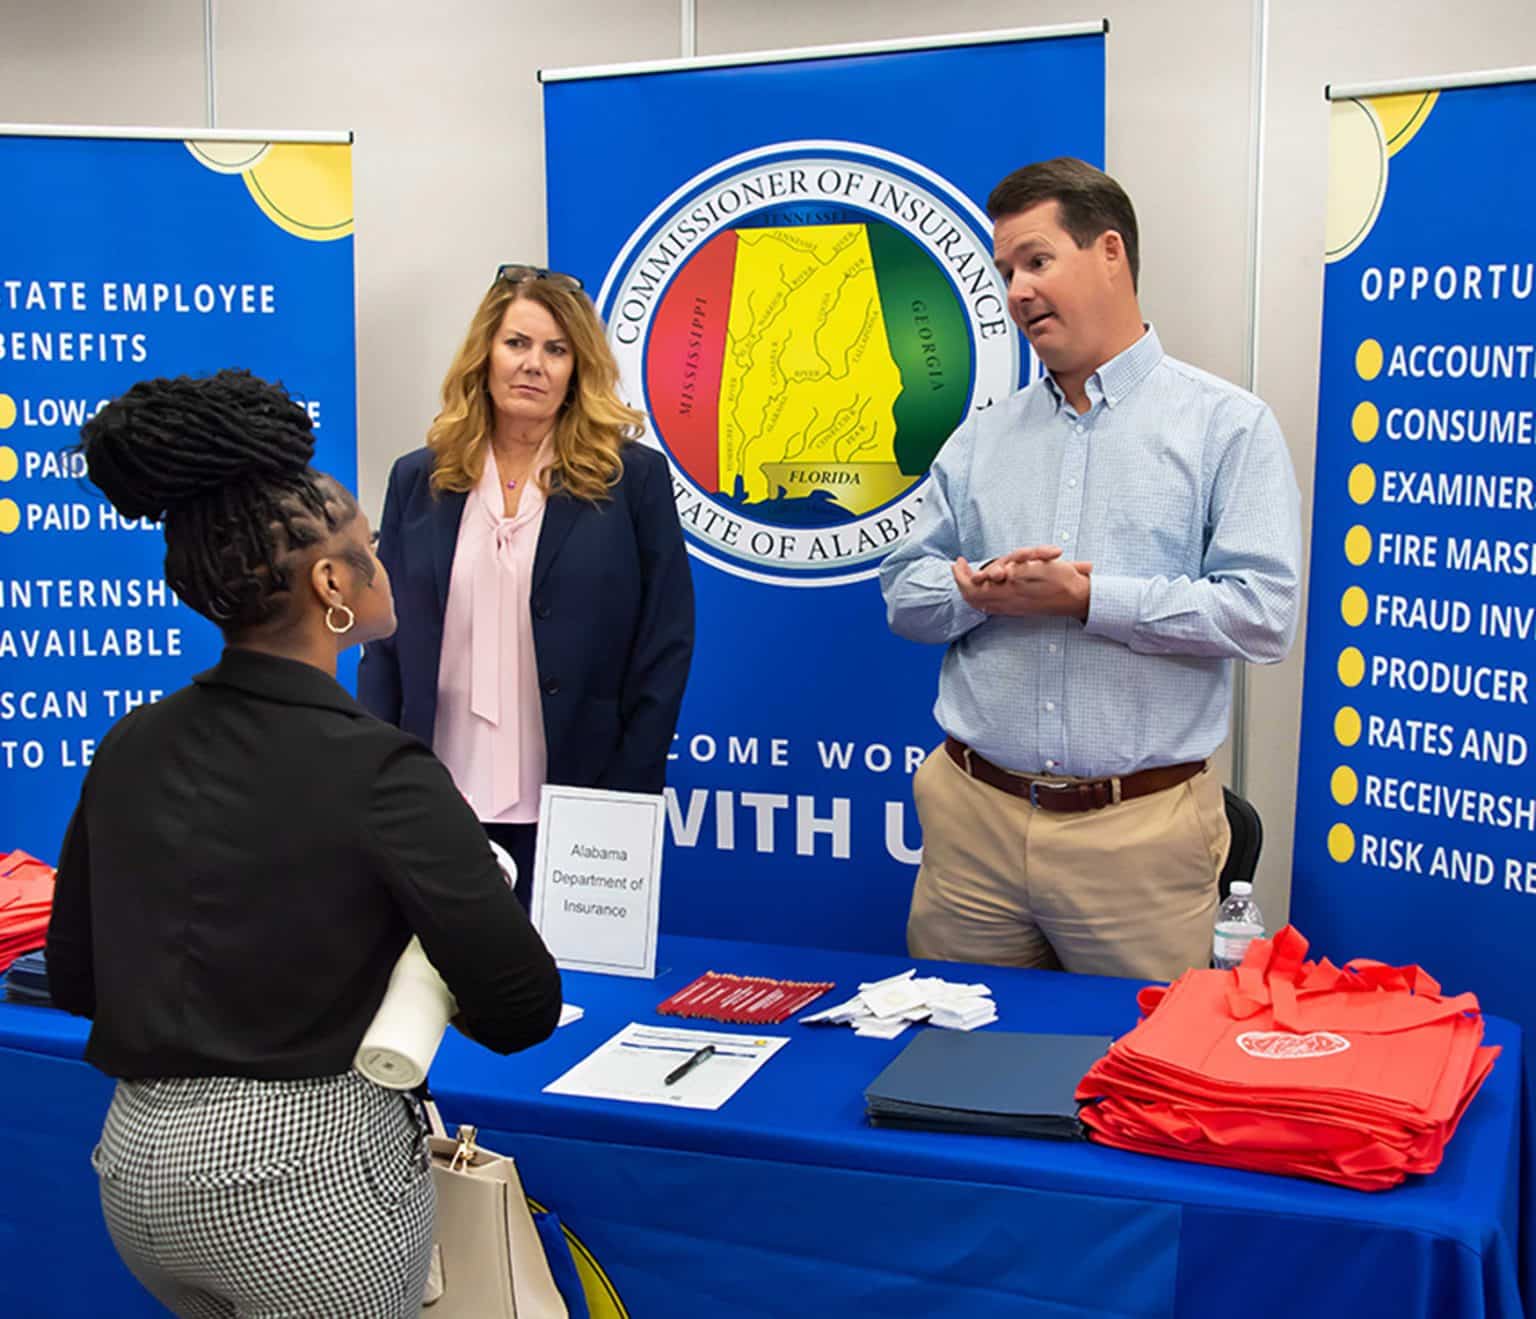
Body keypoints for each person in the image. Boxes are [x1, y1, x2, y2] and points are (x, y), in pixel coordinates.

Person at [45, 370, 562, 1318]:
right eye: (367, 546)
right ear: (332, 583)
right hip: (302, 1190)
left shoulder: (130, 743)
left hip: (132, 1173)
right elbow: (522, 1005)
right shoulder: (383, 771)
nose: (382, 560)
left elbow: (75, 979)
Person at [880, 158, 1302, 982]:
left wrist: (1088, 599)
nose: (1016, 291)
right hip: (973, 825)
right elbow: (903, 593)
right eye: (1005, 271)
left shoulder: (1228, 427)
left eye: (1036, 261)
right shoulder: (981, 438)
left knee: (1144, 1088)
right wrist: (977, 592)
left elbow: (1263, 613)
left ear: (1111, 252)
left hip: (1138, 840)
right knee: (949, 1078)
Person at [359, 265, 694, 906]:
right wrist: (379, 773)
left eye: (556, 350)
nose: (533, 365)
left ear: (578, 369)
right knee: (437, 980)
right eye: (517, 343)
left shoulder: (632, 481)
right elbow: (386, 643)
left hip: (582, 793)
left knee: (572, 989)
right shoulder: (418, 480)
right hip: (438, 791)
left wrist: (630, 787)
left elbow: (666, 644)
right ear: (485, 352)